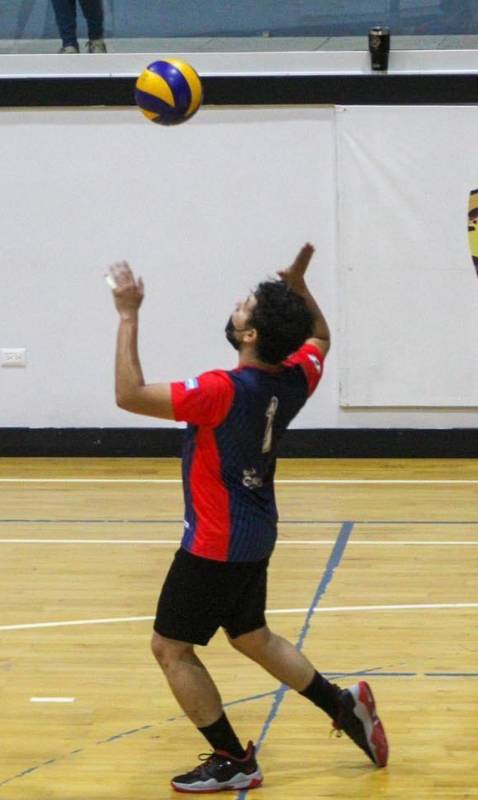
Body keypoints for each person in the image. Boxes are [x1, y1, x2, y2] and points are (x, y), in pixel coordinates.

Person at [107, 243, 388, 793]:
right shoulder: (294, 379)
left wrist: (128, 315)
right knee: (251, 635)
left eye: (245, 306)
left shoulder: (220, 391)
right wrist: (300, 286)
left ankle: (234, 759)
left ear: (250, 336)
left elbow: (128, 394)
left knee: (170, 648)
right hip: (256, 532)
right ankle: (343, 706)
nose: (238, 305)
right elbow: (321, 338)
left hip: (214, 541)